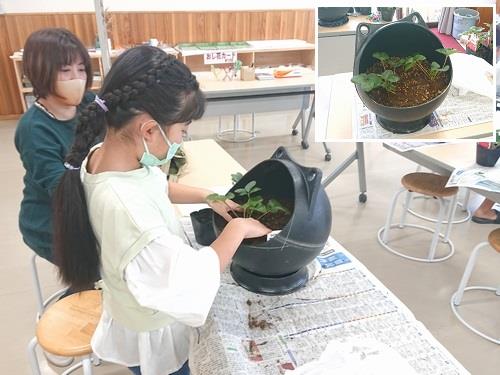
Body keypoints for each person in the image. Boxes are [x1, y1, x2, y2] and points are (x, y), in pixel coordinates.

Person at [52, 45, 271, 375]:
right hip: (153, 326)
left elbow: (152, 185)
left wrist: (207, 194)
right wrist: (237, 230)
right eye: (182, 131)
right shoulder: (130, 216)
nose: (182, 140)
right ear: (149, 129)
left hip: (130, 301)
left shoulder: (103, 157)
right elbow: (191, 280)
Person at [15, 28, 95, 262]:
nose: (77, 78)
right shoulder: (33, 129)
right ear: (41, 73)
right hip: (51, 220)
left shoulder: (89, 103)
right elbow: (63, 192)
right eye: (65, 71)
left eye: (81, 69)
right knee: (109, 263)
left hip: (89, 203)